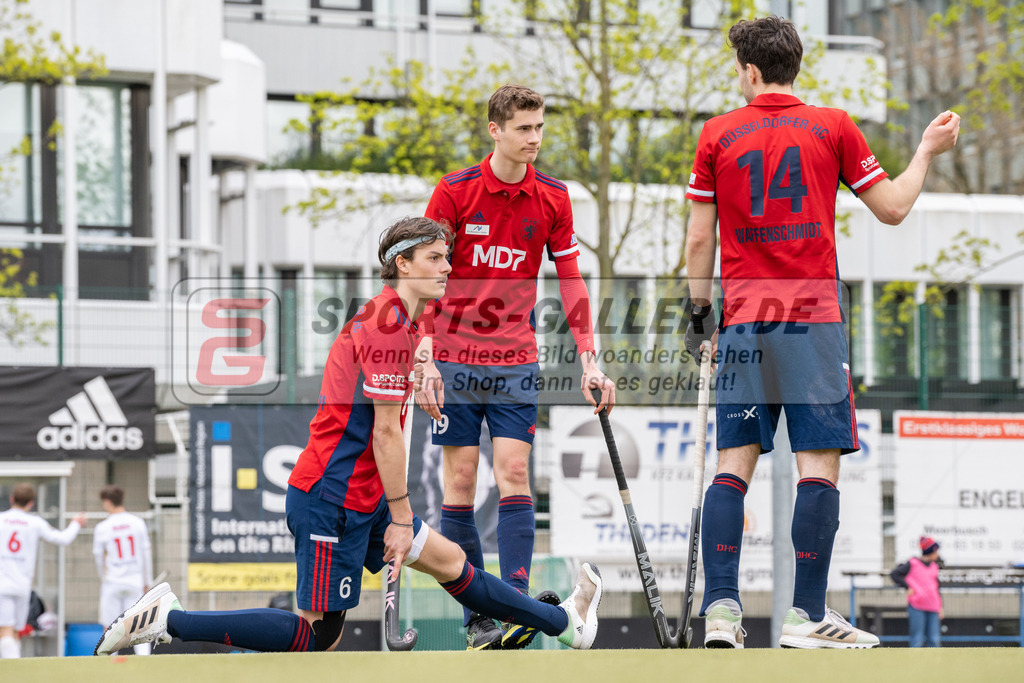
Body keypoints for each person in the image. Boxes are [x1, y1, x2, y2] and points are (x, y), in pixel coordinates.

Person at [95, 216, 602, 656]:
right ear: (404, 265)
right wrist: (402, 517)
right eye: (436, 258)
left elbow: (413, 356)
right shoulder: (385, 325)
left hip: (367, 497)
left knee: (451, 562)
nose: (449, 267)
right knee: (321, 636)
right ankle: (169, 620)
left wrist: (424, 364)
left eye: (447, 256)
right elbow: (385, 433)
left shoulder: (400, 318)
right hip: (332, 498)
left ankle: (566, 624)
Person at [683, 15, 960, 649]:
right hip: (812, 324)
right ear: (793, 66)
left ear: (749, 71)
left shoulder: (717, 133)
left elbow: (700, 238)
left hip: (745, 325)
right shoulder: (832, 126)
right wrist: (924, 152)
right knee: (818, 471)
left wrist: (701, 320)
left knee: (732, 467)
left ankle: (722, 611)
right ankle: (805, 617)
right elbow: (892, 208)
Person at [416, 83, 616, 650]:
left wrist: (589, 359)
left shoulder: (553, 197)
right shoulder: (453, 193)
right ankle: (478, 616)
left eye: (540, 127)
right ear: (495, 131)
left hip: (514, 359)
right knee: (459, 485)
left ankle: (519, 602)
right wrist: (424, 353)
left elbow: (572, 279)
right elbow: (428, 277)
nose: (534, 139)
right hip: (453, 360)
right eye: (524, 128)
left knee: (514, 475)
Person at [0, 483, 86, 659]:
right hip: (22, 586)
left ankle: (12, 666)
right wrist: (76, 524)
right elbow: (63, 538)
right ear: (31, 503)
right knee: (16, 630)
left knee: (5, 631)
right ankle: (15, 663)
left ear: (11, 499)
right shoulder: (35, 522)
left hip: (2, 584)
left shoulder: (1, 519)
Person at [93, 485, 154, 655]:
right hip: (135, 580)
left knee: (110, 626)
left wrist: (103, 578)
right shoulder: (137, 523)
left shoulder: (102, 527)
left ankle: (110, 665)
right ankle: (145, 661)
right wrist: (147, 581)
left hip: (112, 582)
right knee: (140, 625)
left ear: (107, 502)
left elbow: (99, 557)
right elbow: (145, 554)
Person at [891, 536, 943, 647]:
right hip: (917, 605)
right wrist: (907, 587)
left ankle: (935, 662)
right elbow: (895, 574)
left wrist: (940, 606)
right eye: (936, 551)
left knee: (934, 639)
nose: (937, 555)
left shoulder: (934, 566)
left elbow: (937, 588)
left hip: (933, 606)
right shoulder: (913, 563)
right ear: (930, 551)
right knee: (917, 638)